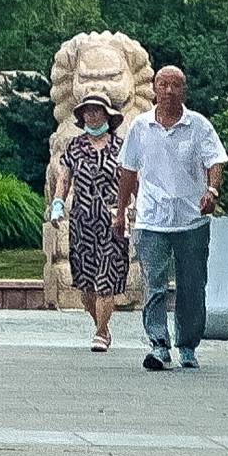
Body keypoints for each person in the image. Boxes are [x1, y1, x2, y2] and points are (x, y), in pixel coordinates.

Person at [116, 63, 228, 370]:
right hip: (152, 217)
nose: (168, 90)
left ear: (184, 90)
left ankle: (188, 345)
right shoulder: (140, 126)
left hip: (191, 218)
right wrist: (120, 212)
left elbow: (215, 161)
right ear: (153, 89)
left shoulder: (199, 125)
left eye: (175, 85)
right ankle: (159, 344)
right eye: (163, 84)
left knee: (192, 285)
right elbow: (127, 171)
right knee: (154, 283)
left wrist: (212, 191)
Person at [54, 90, 132, 351]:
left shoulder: (120, 148)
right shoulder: (74, 147)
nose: (92, 114)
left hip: (112, 222)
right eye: (88, 110)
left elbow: (133, 181)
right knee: (86, 284)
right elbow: (64, 178)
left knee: (106, 280)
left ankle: (100, 333)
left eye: (97, 110)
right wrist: (57, 204)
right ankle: (102, 325)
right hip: (82, 222)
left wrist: (138, 208)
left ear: (107, 116)